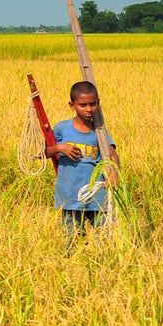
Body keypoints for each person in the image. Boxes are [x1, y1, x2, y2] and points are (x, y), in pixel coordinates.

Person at [44, 81, 119, 249]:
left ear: (98, 103)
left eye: (93, 104)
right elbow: (42, 152)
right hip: (69, 197)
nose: (88, 109)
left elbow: (112, 155)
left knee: (103, 242)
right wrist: (59, 148)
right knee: (70, 241)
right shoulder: (62, 129)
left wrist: (114, 170)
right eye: (83, 105)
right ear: (72, 105)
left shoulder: (99, 131)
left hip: (97, 197)